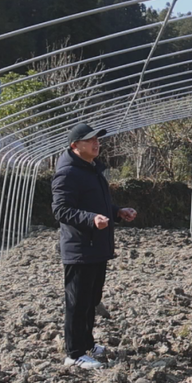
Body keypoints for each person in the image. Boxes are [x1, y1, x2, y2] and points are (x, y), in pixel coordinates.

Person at [52, 122, 137, 370]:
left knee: (91, 299)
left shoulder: (91, 170)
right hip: (80, 248)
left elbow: (98, 205)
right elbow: (61, 210)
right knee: (77, 302)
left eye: (97, 139)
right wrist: (90, 220)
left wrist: (118, 212)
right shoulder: (67, 173)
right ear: (75, 146)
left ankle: (87, 344)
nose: (96, 143)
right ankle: (74, 353)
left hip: (97, 247)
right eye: (90, 140)